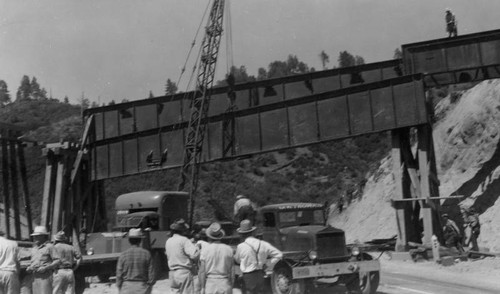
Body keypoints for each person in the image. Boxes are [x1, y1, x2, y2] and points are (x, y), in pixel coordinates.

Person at [234, 220, 282, 294]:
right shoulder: (263, 244)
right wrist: (267, 264)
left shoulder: (241, 246)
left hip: (248, 276)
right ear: (253, 232)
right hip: (260, 274)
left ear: (242, 234)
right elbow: (279, 255)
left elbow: (237, 260)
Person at [165, 219, 199, 294]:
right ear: (183, 230)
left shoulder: (168, 241)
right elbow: (194, 255)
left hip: (172, 273)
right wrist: (197, 248)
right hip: (183, 272)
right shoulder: (184, 240)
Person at [116, 228, 155, 294]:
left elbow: (119, 275)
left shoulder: (123, 255)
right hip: (142, 288)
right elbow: (151, 275)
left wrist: (120, 288)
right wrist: (149, 288)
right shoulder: (147, 254)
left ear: (129, 240)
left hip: (126, 288)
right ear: (140, 240)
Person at [198, 223, 234, 294]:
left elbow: (202, 271)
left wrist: (202, 287)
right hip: (224, 282)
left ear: (209, 237)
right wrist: (231, 286)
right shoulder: (229, 249)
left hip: (210, 283)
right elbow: (232, 271)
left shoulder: (205, 250)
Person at [27, 226, 60, 294]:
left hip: (46, 276)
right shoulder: (34, 249)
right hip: (35, 276)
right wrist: (30, 267)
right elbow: (33, 262)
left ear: (43, 236)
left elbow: (57, 261)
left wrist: (45, 268)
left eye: (37, 236)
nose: (34, 238)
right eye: (34, 236)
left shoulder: (49, 247)